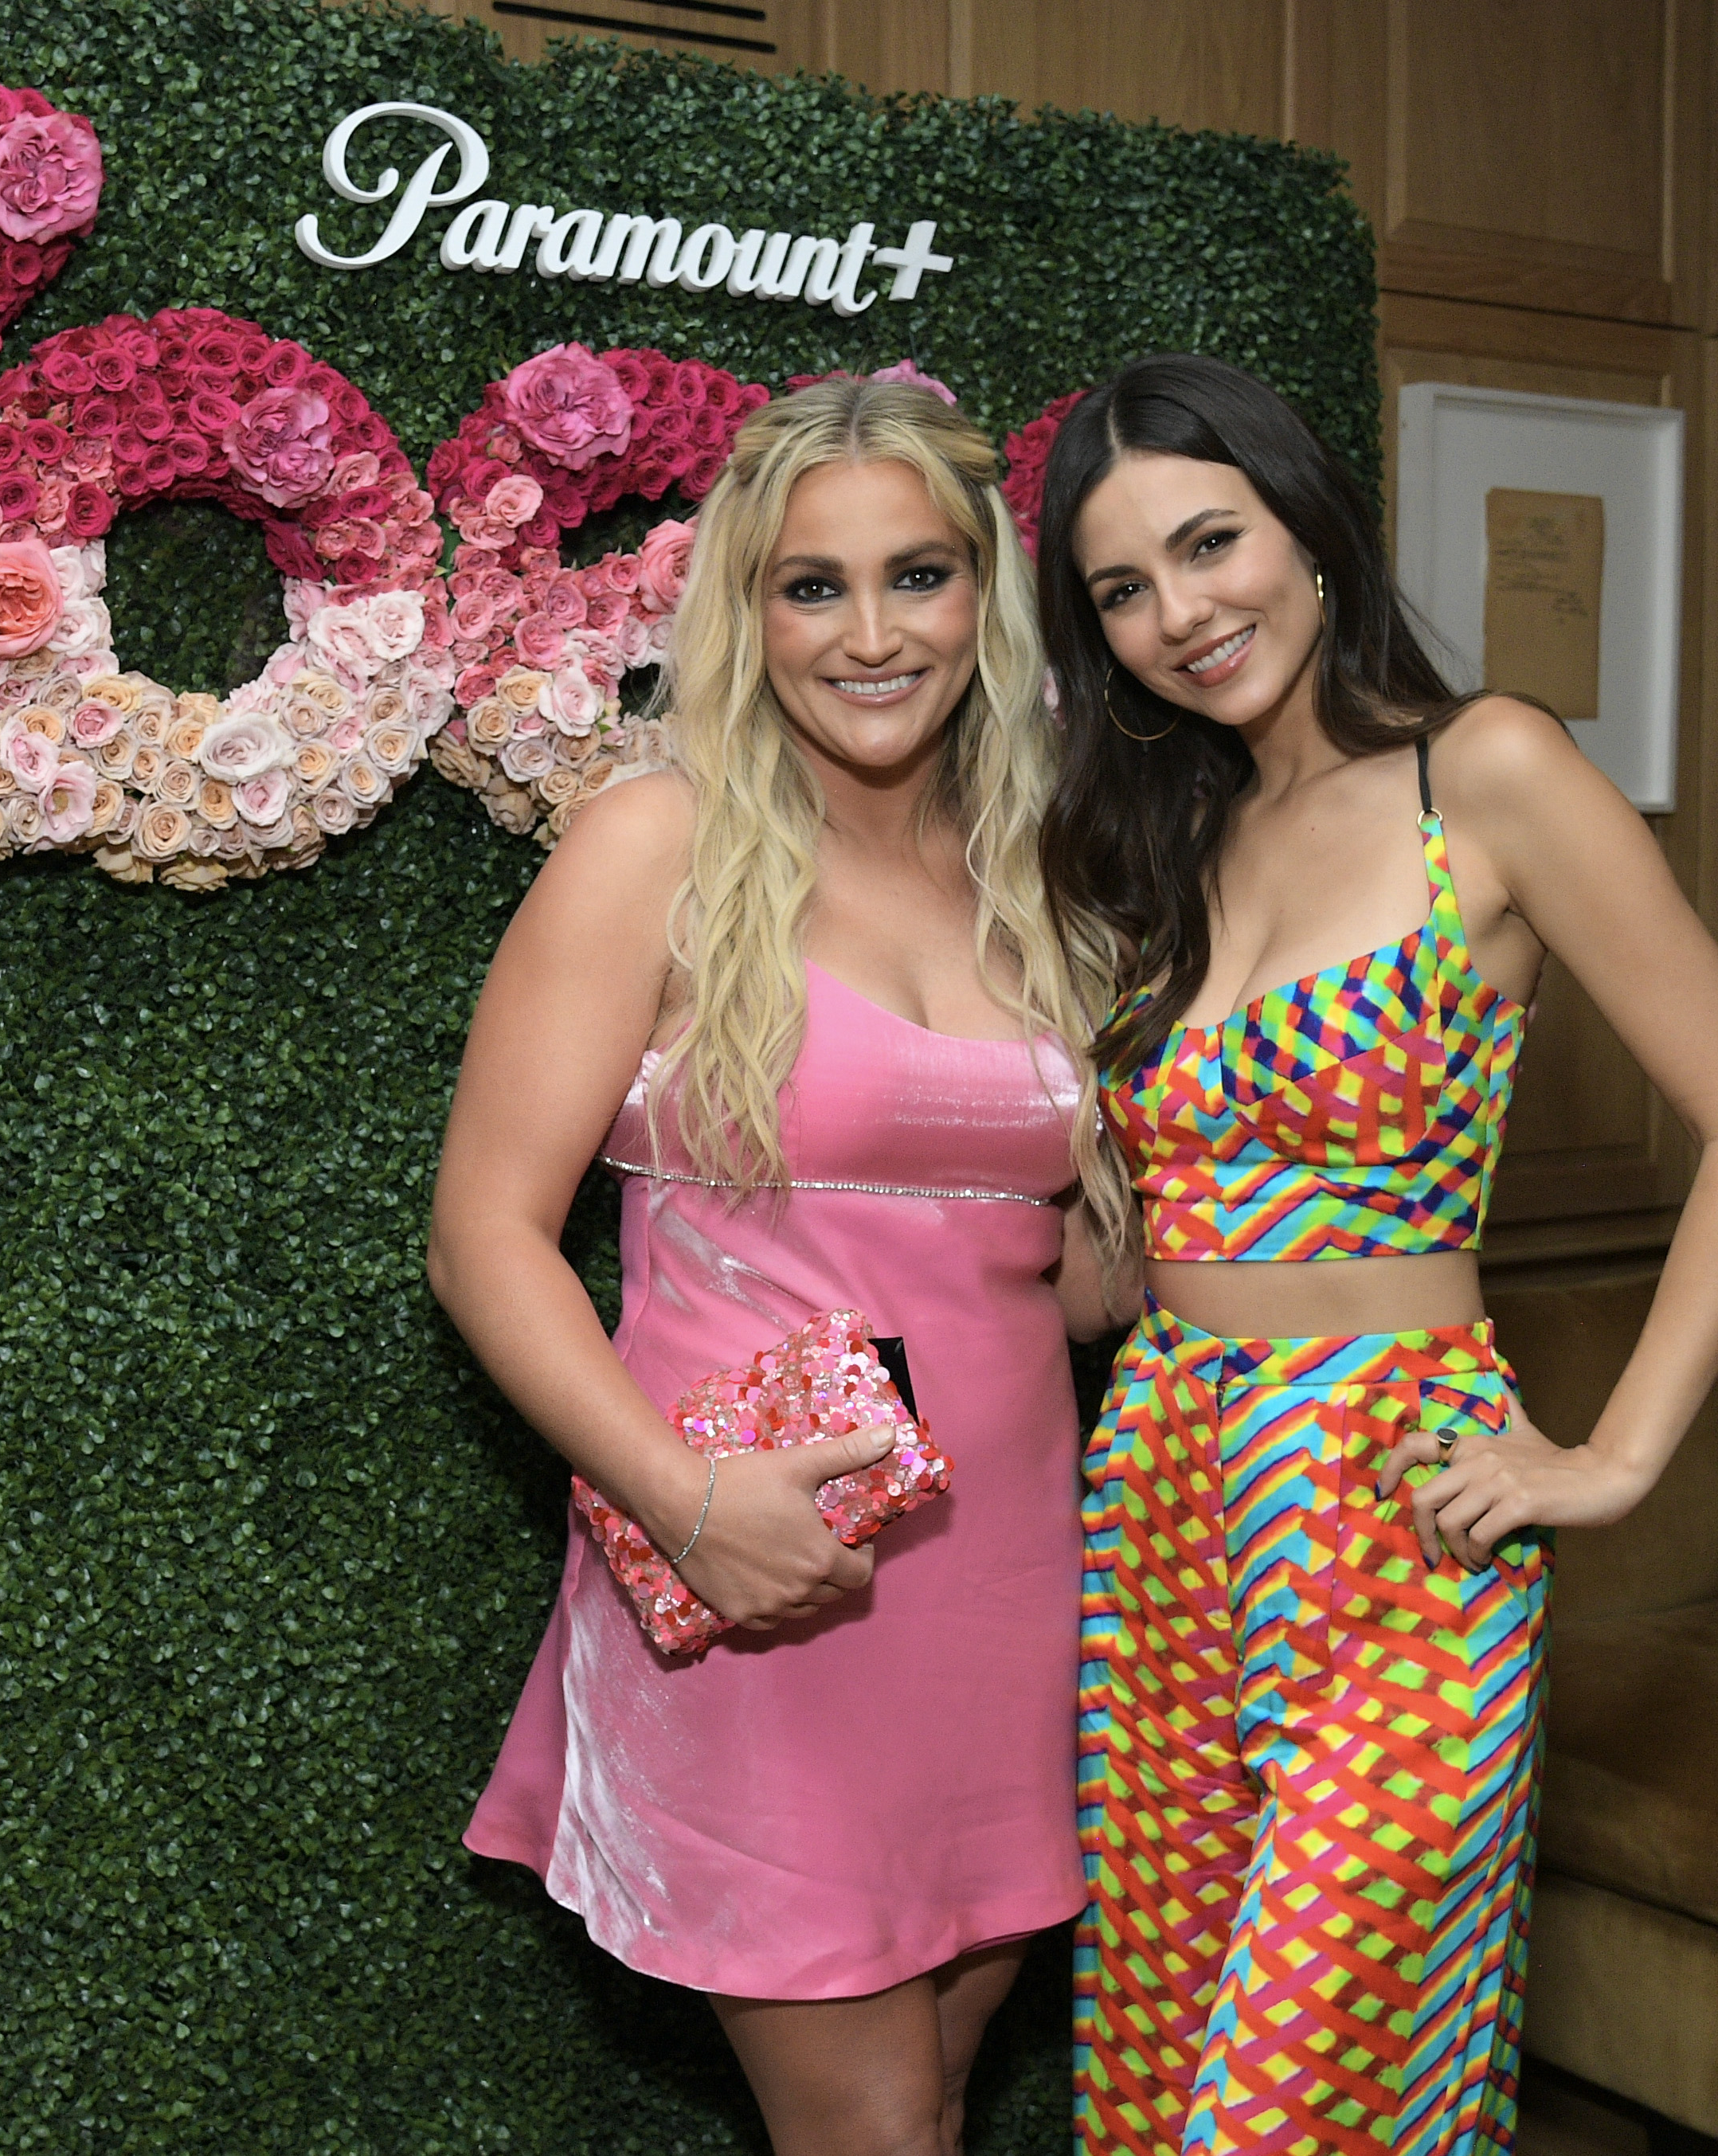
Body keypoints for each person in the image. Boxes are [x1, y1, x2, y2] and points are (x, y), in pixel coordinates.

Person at [1035, 352, 1718, 2155]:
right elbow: (1119, 1266)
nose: (1181, 613)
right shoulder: (1177, 841)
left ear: (1312, 525)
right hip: (1162, 1478)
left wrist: (1614, 1454)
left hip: (1395, 1493)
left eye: (1210, 541)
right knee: (1163, 2079)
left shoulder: (1492, 771)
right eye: (1123, 591)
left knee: (1301, 2093)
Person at [432, 378, 1128, 2156]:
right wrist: (687, 1497)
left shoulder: (1046, 880)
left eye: (920, 575)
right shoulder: (656, 846)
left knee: (945, 2091)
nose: (873, 632)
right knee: (876, 2125)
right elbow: (484, 1238)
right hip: (757, 1565)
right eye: (813, 586)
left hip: (1005, 1574)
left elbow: (1070, 1282)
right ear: (746, 614)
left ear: (989, 596)